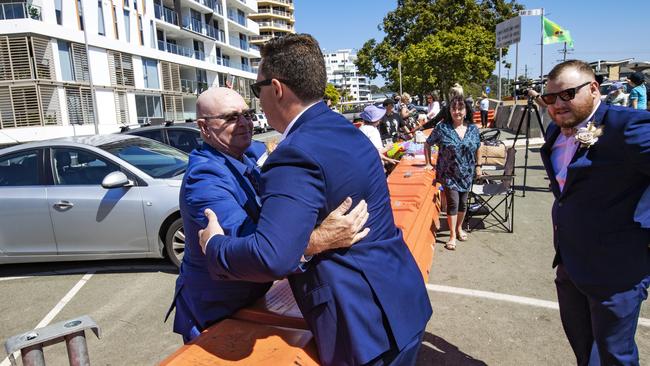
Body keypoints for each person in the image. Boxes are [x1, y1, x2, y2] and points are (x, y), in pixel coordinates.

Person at [198, 34, 432, 366]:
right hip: (401, 301)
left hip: (363, 330)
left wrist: (214, 245)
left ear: (276, 89)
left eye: (256, 92)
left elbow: (271, 256)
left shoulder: (294, 153)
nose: (256, 107)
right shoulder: (346, 129)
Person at [169, 87, 371, 343]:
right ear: (204, 127)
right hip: (218, 313)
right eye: (231, 118)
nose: (245, 124)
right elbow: (254, 255)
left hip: (252, 300)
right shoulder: (204, 180)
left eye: (248, 114)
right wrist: (320, 239)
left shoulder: (243, 153)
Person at [538, 60, 650, 365]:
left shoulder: (625, 126)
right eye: (550, 98)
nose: (558, 104)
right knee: (584, 349)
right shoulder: (556, 130)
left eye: (567, 94)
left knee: (615, 356)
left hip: (615, 274)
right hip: (571, 265)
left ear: (594, 89)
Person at [423, 95, 480, 250]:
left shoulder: (473, 129)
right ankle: (452, 236)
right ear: (449, 111)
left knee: (463, 203)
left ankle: (459, 228)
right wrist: (428, 163)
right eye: (453, 109)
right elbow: (427, 144)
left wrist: (479, 166)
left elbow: (478, 146)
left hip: (467, 172)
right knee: (453, 203)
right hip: (449, 173)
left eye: (460, 109)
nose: (457, 112)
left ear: (466, 111)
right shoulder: (442, 128)